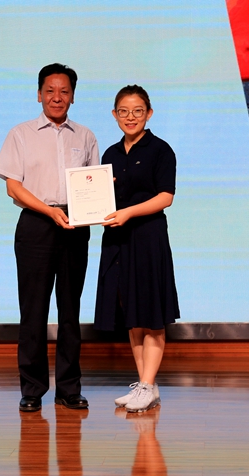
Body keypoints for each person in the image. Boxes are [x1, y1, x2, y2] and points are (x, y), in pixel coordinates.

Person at [0, 63, 99, 412]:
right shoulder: (21, 134)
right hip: (36, 224)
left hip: (75, 225)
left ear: (73, 96)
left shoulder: (85, 136)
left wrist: (100, 200)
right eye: (50, 91)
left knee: (70, 310)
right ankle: (32, 389)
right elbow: (13, 187)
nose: (57, 97)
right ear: (39, 94)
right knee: (33, 311)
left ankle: (69, 388)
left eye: (64, 91)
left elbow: (92, 185)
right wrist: (50, 211)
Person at [95, 85, 180, 413]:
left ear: (149, 113)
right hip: (117, 240)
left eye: (138, 111)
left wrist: (129, 212)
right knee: (132, 315)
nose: (130, 117)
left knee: (152, 315)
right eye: (124, 111)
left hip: (148, 238)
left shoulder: (161, 150)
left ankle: (146, 385)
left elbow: (165, 197)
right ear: (114, 115)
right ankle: (147, 385)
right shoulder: (110, 155)